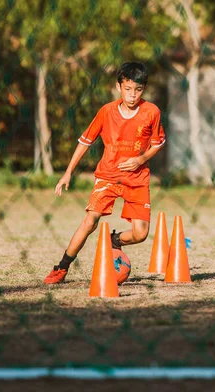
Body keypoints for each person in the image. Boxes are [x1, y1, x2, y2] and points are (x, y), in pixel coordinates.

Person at [44, 61, 166, 284]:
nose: (132, 95)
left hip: (137, 178)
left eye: (138, 90)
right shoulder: (106, 112)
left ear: (144, 89)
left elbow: (158, 143)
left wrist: (141, 159)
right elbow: (84, 141)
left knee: (140, 234)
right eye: (127, 89)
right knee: (90, 221)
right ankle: (61, 267)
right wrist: (67, 172)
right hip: (107, 176)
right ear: (119, 86)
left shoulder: (151, 112)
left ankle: (114, 240)